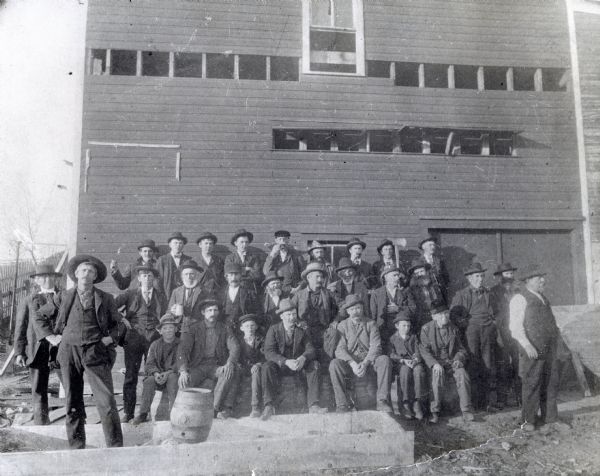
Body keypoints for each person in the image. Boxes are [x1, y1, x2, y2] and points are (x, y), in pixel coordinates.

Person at [53, 255, 124, 448]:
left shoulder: (106, 298)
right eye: (83, 270)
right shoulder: (63, 296)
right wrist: (51, 337)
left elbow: (120, 325)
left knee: (107, 401)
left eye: (91, 271)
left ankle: (115, 447)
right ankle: (77, 447)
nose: (87, 274)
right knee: (72, 400)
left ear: (95, 277)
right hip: (69, 352)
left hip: (96, 351)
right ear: (76, 274)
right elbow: (40, 316)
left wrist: (109, 339)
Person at [509, 265, 560, 432]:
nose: (543, 280)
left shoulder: (544, 299)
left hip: (549, 349)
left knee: (550, 382)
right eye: (539, 278)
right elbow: (515, 327)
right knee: (531, 383)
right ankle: (528, 420)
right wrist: (527, 344)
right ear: (528, 281)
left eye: (542, 277)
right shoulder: (520, 299)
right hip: (532, 350)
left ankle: (550, 418)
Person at [114, 265, 167, 423]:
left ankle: (149, 412)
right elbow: (111, 307)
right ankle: (128, 413)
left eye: (150, 276)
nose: (147, 278)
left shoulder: (161, 296)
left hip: (154, 339)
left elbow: (166, 314)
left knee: (153, 374)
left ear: (154, 278)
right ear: (139, 278)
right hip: (134, 338)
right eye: (144, 275)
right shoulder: (130, 294)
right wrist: (122, 319)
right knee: (131, 375)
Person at [14, 264, 63, 425]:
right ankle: (41, 422)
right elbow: (20, 326)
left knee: (70, 383)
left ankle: (74, 421)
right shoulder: (29, 300)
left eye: (50, 276)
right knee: (38, 386)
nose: (47, 279)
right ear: (36, 280)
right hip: (37, 348)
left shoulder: (64, 297)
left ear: (55, 278)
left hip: (61, 347)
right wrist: (20, 352)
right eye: (42, 276)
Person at [261, 299, 325, 420]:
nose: (292, 318)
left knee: (315, 365)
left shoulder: (302, 329)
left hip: (298, 366)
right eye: (288, 315)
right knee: (267, 367)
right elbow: (269, 352)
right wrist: (285, 361)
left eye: (294, 314)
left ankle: (314, 405)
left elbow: (310, 349)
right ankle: (269, 405)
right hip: (281, 366)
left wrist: (303, 358)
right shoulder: (273, 329)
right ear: (281, 316)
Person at [177, 298, 240, 419]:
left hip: (216, 366)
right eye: (209, 310)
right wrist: (183, 371)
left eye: (215, 310)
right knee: (185, 382)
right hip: (198, 366)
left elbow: (235, 346)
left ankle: (214, 409)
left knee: (229, 372)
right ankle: (185, 413)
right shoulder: (194, 328)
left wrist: (230, 363)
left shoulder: (224, 328)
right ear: (203, 312)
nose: (213, 313)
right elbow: (183, 350)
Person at [329, 295, 393, 413]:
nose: (356, 312)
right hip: (351, 364)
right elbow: (340, 349)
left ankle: (382, 401)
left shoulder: (371, 324)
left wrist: (365, 363)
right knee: (334, 364)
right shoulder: (342, 325)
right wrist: (352, 363)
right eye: (352, 309)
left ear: (362, 309)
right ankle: (342, 404)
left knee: (384, 359)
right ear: (347, 311)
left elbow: (376, 346)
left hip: (368, 363)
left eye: (358, 308)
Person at [450, 262, 498, 411]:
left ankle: (488, 402)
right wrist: (465, 324)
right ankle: (475, 402)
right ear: (470, 278)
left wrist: (493, 323)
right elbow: (453, 314)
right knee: (474, 363)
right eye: (477, 276)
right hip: (471, 332)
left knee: (488, 363)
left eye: (482, 276)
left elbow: (495, 311)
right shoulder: (462, 294)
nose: (480, 279)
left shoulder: (488, 293)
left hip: (487, 331)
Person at [420, 302, 474, 423]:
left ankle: (466, 410)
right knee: (437, 375)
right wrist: (434, 364)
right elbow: (424, 351)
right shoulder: (426, 329)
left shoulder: (453, 328)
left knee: (462, 374)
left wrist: (458, 359)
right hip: (436, 363)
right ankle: (435, 411)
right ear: (434, 316)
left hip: (451, 362)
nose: (444, 316)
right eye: (440, 314)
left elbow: (461, 349)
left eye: (446, 313)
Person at [132, 312, 180, 425]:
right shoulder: (155, 345)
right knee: (149, 381)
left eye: (171, 328)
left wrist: (168, 373)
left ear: (176, 329)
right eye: (165, 328)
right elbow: (149, 363)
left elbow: (181, 362)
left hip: (172, 374)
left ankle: (174, 412)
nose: (168, 330)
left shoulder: (181, 344)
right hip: (158, 376)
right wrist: (156, 374)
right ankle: (143, 413)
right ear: (160, 331)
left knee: (173, 379)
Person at [290, 262, 339, 364]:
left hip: (324, 329)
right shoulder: (299, 295)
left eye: (321, 277)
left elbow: (343, 306)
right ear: (308, 277)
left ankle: (327, 366)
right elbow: (289, 310)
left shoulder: (329, 294)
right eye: (317, 277)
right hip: (305, 330)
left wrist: (336, 320)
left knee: (333, 334)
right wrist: (298, 321)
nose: (320, 280)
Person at [490, 262, 521, 408]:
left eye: (511, 273)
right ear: (500, 276)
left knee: (518, 364)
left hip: (518, 332)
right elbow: (492, 313)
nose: (509, 276)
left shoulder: (519, 290)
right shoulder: (494, 292)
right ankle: (502, 399)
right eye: (506, 274)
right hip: (502, 332)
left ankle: (521, 397)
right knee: (502, 366)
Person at [387, 311, 426, 420]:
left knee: (419, 371)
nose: (406, 328)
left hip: (414, 362)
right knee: (404, 371)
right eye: (403, 325)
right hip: (401, 364)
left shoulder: (413, 337)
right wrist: (403, 360)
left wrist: (416, 359)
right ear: (397, 326)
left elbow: (418, 350)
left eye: (408, 325)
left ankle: (417, 403)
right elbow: (391, 354)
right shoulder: (392, 339)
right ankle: (405, 403)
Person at [370, 266, 416, 346]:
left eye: (398, 275)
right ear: (386, 277)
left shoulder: (405, 292)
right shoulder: (376, 293)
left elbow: (413, 309)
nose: (397, 278)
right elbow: (373, 315)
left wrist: (399, 309)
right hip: (383, 331)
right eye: (394, 275)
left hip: (401, 331)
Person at [236, 314, 265, 418]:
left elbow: (265, 355)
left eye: (252, 326)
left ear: (256, 327)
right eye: (247, 326)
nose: (250, 329)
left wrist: (258, 364)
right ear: (241, 328)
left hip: (256, 368)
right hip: (243, 367)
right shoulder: (238, 341)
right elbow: (235, 356)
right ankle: (229, 407)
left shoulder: (261, 340)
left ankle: (255, 407)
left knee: (256, 373)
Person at [168, 261, 210, 325]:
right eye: (186, 274)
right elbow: (168, 312)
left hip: (198, 325)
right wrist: (172, 311)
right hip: (179, 326)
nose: (189, 277)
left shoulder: (205, 291)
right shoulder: (176, 291)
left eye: (191, 274)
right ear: (182, 277)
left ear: (197, 275)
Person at [218, 262, 258, 329]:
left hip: (243, 328)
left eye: (236, 274)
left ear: (241, 276)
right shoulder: (221, 293)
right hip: (225, 328)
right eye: (230, 275)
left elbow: (255, 312)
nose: (233, 278)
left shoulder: (249, 293)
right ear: (226, 277)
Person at [409, 258, 445, 331]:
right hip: (422, 317)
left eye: (422, 271)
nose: (420, 274)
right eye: (417, 273)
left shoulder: (436, 285)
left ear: (426, 271)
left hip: (437, 313)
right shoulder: (411, 290)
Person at [155, 232, 193, 301]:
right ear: (170, 244)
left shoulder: (188, 260)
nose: (178, 245)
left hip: (184, 295)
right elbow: (157, 280)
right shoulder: (162, 260)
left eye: (180, 243)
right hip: (166, 296)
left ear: (183, 245)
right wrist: (161, 296)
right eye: (175, 243)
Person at [224, 228, 263, 293]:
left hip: (250, 290)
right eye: (242, 242)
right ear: (236, 243)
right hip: (234, 289)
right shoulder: (230, 258)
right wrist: (247, 269)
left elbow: (257, 275)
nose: (244, 245)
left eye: (246, 242)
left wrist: (237, 272)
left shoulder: (254, 258)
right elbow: (228, 275)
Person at [419, 236, 450, 301]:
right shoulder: (418, 261)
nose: (433, 247)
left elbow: (445, 275)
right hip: (427, 294)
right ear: (423, 247)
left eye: (433, 245)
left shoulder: (439, 260)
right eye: (430, 245)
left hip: (441, 292)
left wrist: (445, 286)